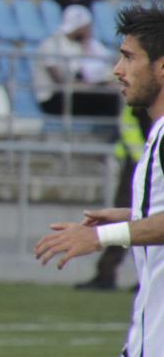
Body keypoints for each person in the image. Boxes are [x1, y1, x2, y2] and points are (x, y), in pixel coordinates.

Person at [34, 5, 164, 357]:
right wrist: (132, 215)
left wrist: (103, 238)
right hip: (148, 328)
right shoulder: (156, 130)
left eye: (129, 57)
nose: (116, 69)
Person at [77, 106, 151, 291]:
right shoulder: (143, 99)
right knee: (136, 217)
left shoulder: (143, 99)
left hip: (141, 163)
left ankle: (112, 275)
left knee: (144, 219)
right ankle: (113, 274)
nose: (119, 75)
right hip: (140, 163)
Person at [33, 4, 121, 118]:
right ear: (80, 27)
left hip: (69, 95)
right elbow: (61, 82)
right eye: (86, 27)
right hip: (51, 98)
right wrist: (98, 84)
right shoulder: (50, 45)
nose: (89, 31)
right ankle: (111, 130)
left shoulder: (75, 46)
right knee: (108, 98)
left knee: (110, 94)